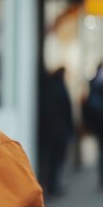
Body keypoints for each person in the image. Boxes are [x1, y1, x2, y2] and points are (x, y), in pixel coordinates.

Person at [38, 67, 74, 197]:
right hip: (60, 130)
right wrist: (70, 129)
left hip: (49, 130)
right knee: (58, 159)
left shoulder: (48, 88)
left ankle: (51, 185)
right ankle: (55, 186)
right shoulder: (61, 89)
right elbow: (67, 110)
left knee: (51, 159)